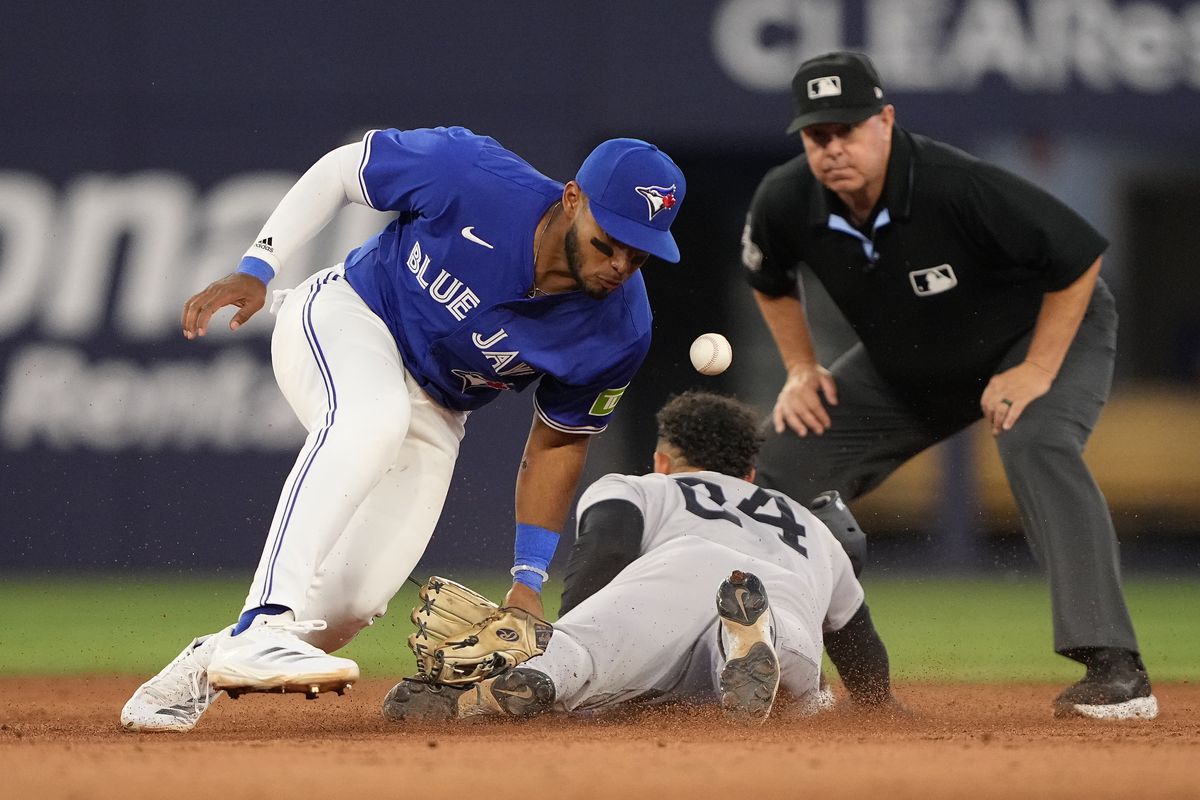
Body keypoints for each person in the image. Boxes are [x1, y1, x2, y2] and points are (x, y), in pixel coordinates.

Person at [119, 127, 686, 732]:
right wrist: (258, 266)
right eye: (611, 242)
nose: (621, 265)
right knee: (371, 416)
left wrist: (527, 579)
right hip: (348, 316)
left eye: (640, 253)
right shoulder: (472, 175)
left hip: (439, 405)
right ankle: (264, 622)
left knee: (350, 606)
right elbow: (341, 170)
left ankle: (201, 668)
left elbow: (558, 443)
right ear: (573, 199)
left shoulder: (621, 329)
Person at [741, 51, 1155, 720]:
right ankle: (813, 674)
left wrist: (1038, 372)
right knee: (779, 466)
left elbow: (1078, 258)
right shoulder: (787, 199)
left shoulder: (951, 184)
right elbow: (769, 280)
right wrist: (800, 368)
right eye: (819, 135)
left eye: (848, 128)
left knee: (1038, 439)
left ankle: (1116, 669)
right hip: (907, 363)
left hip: (1040, 337)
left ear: (886, 121)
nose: (834, 147)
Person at [381, 391, 897, 724]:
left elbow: (606, 552)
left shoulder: (643, 486)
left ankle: (539, 676)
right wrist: (880, 708)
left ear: (663, 461)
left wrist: (570, 630)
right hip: (778, 592)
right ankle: (752, 641)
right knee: (795, 673)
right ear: (750, 477)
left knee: (588, 652)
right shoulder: (813, 528)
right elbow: (861, 650)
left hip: (678, 571)